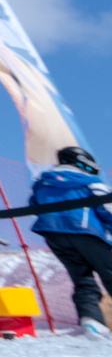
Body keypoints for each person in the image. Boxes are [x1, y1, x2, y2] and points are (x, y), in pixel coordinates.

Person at [30, 144, 112, 338]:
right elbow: (107, 208)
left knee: (82, 279)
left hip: (54, 235)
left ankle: (91, 320)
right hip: (87, 232)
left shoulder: (42, 183)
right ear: (84, 164)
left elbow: (34, 205)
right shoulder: (89, 181)